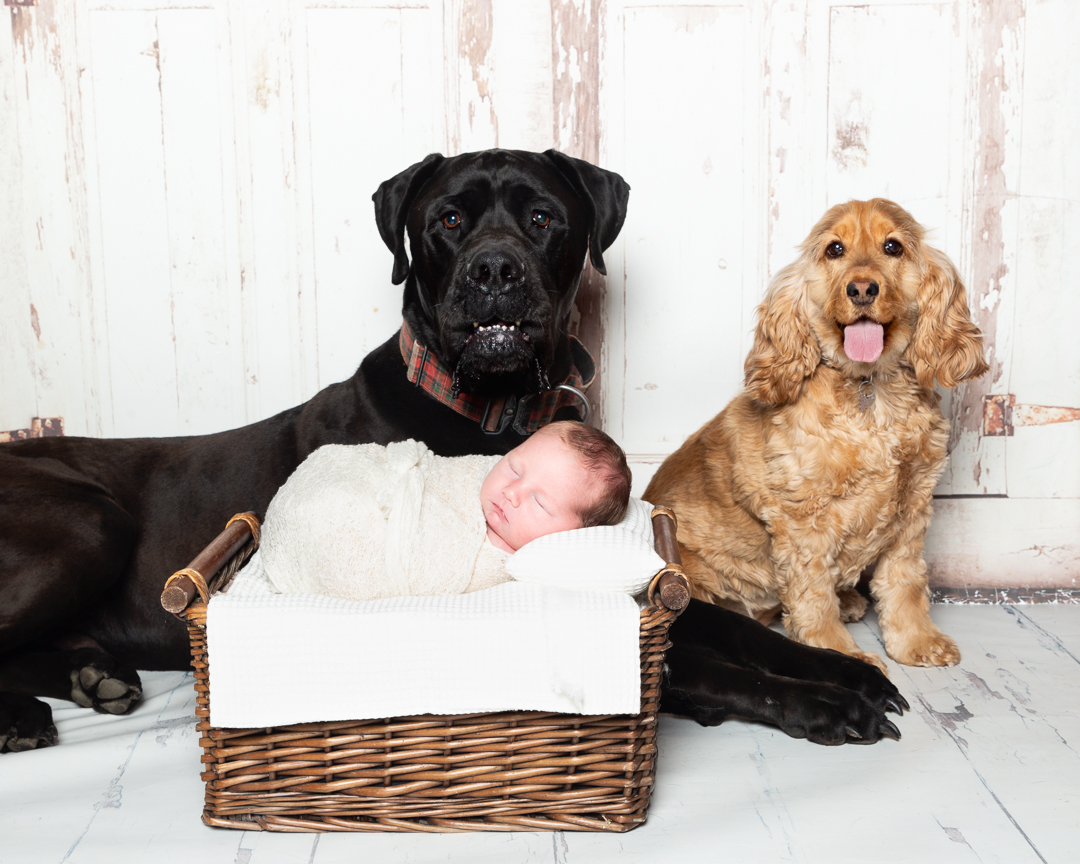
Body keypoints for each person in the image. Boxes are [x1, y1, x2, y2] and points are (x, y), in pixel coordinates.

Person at [258, 421, 631, 601]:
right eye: (515, 467)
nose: (512, 492)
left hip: (372, 546)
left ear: (574, 535)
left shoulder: (527, 567)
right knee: (328, 503)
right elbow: (433, 474)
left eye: (540, 502)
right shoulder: (476, 475)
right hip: (355, 490)